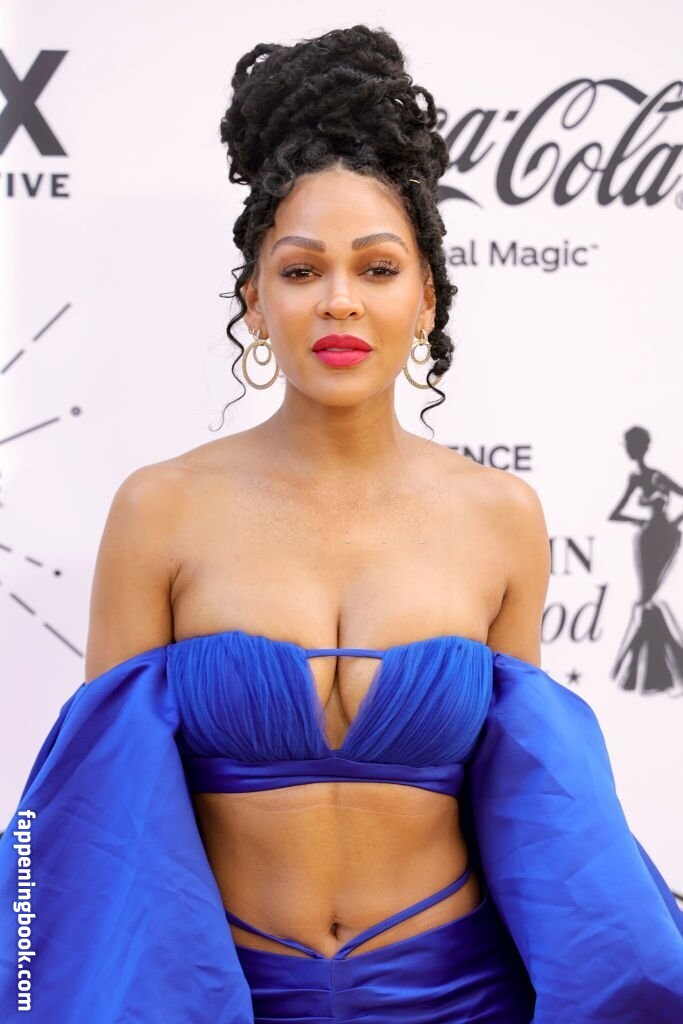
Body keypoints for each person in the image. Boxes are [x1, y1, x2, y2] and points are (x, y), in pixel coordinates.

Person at [1, 23, 682, 1024]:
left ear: (425, 299)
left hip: (456, 994)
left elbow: (537, 806)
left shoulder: (499, 516)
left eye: (375, 269)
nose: (338, 302)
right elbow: (106, 813)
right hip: (229, 995)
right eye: (299, 271)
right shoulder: (160, 509)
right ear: (253, 302)